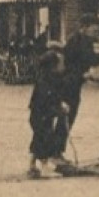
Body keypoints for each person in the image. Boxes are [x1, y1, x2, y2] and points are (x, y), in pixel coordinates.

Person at [59, 14, 99, 151]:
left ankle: (58, 151)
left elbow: (91, 59)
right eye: (94, 31)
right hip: (67, 84)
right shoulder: (76, 41)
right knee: (65, 119)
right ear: (84, 28)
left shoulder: (84, 40)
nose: (96, 35)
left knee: (69, 118)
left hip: (75, 84)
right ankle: (55, 152)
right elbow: (87, 60)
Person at [27, 35, 67, 179]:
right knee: (45, 138)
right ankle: (44, 167)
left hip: (37, 114)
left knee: (38, 138)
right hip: (42, 114)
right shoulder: (47, 81)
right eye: (61, 64)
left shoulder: (46, 78)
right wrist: (59, 106)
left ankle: (31, 165)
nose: (63, 66)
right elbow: (48, 98)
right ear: (53, 66)